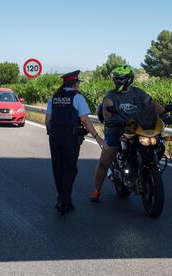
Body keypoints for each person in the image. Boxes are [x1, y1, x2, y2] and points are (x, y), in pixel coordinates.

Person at [90, 64, 165, 202]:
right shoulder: (111, 95)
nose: (117, 81)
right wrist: (110, 119)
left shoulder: (139, 93)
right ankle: (96, 190)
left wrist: (164, 114)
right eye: (115, 79)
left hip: (138, 129)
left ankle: (145, 170)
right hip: (116, 130)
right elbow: (107, 110)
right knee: (103, 162)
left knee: (159, 143)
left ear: (128, 79)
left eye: (120, 78)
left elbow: (151, 103)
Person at [46, 70, 103, 214]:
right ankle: (64, 201)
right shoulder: (77, 97)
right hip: (70, 138)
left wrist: (51, 133)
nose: (79, 85)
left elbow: (47, 119)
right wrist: (97, 137)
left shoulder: (54, 97)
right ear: (75, 83)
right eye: (78, 82)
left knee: (58, 169)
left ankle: (63, 198)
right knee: (70, 169)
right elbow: (84, 119)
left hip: (54, 137)